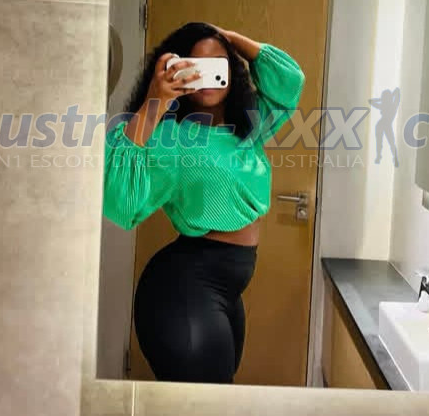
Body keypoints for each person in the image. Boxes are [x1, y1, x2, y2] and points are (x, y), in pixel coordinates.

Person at [102, 22, 305, 384]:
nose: (206, 74)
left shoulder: (248, 127)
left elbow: (290, 81)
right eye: (194, 65)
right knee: (206, 400)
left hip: (225, 289)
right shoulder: (171, 136)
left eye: (216, 64)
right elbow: (118, 200)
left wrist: (233, 39)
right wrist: (154, 101)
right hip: (184, 287)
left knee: (212, 396)